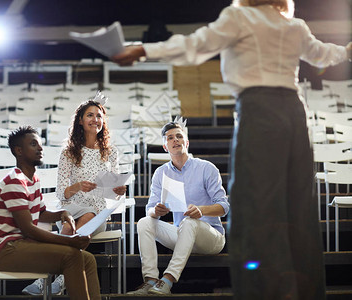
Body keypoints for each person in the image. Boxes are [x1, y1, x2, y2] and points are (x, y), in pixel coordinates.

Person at [112, 1, 352, 299]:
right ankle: (304, 291)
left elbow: (195, 45)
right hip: (293, 113)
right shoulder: (294, 25)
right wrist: (347, 51)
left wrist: (143, 50)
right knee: (297, 204)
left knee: (255, 204)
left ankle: (262, 290)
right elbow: (324, 54)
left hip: (259, 110)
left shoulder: (240, 16)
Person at [23, 93, 126, 295]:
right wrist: (77, 186)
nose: (95, 119)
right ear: (80, 120)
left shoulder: (111, 152)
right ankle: (60, 279)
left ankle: (50, 278)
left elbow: (114, 196)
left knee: (79, 222)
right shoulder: (68, 152)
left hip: (98, 210)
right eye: (90, 115)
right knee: (70, 225)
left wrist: (119, 190)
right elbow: (61, 193)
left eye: (98, 115)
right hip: (72, 207)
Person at [0, 126, 101, 300]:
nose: (40, 148)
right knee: (72, 256)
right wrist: (69, 241)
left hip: (19, 245)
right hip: (1, 252)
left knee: (88, 260)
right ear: (19, 151)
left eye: (40, 144)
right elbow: (28, 229)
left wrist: (62, 213)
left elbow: (41, 212)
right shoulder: (14, 181)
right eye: (33, 144)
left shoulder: (33, 179)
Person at [127, 119, 229, 295]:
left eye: (179, 136)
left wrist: (201, 210)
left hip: (211, 237)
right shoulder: (161, 173)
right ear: (165, 146)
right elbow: (149, 209)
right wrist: (156, 211)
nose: (175, 140)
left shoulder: (206, 168)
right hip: (182, 235)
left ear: (186, 142)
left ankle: (167, 280)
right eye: (170, 138)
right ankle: (150, 280)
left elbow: (224, 206)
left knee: (189, 221)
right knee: (145, 222)